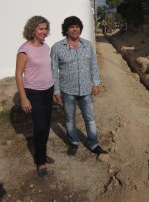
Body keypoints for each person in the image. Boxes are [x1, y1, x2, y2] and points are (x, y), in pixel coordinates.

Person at [51, 16, 108, 156]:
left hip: (86, 90)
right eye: (72, 27)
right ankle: (74, 142)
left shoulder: (87, 45)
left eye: (77, 26)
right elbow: (53, 70)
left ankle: (94, 144)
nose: (75, 29)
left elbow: (93, 65)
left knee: (90, 118)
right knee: (69, 119)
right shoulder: (57, 47)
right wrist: (56, 90)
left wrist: (96, 83)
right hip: (67, 90)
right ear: (66, 29)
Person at [15, 16, 54, 178]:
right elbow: (18, 74)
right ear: (32, 30)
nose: (44, 32)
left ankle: (41, 153)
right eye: (41, 29)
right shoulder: (25, 49)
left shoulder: (46, 47)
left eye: (45, 28)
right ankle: (40, 162)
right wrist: (24, 98)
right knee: (41, 127)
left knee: (46, 125)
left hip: (48, 90)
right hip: (34, 92)